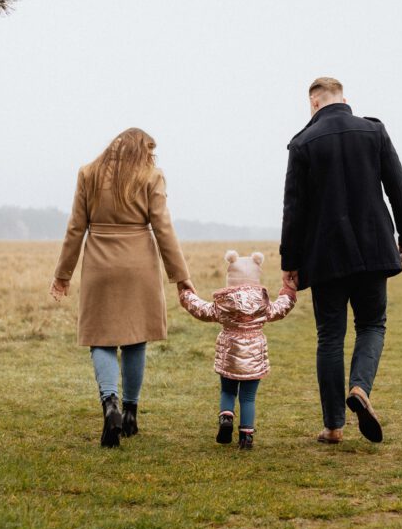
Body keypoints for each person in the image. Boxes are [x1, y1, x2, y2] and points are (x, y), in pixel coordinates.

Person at [280, 77, 402, 444]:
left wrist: (289, 263)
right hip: (373, 249)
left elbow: (294, 210)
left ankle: (333, 426)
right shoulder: (373, 131)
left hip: (324, 257)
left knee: (330, 337)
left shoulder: (302, 143)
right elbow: (397, 186)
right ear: (345, 99)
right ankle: (360, 388)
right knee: (372, 325)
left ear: (313, 103)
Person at [50, 128, 194, 448]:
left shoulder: (88, 173)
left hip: (99, 265)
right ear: (142, 150)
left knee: (100, 338)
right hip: (138, 266)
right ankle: (130, 412)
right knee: (135, 338)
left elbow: (75, 228)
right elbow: (164, 229)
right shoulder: (150, 176)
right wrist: (181, 277)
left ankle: (109, 403)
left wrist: (63, 275)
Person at [179, 250, 297, 450]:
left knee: (227, 390)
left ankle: (226, 417)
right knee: (248, 397)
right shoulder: (263, 302)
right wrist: (288, 291)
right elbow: (280, 308)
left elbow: (202, 310)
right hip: (254, 355)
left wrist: (186, 294)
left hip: (229, 353)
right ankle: (246, 437)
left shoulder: (222, 303)